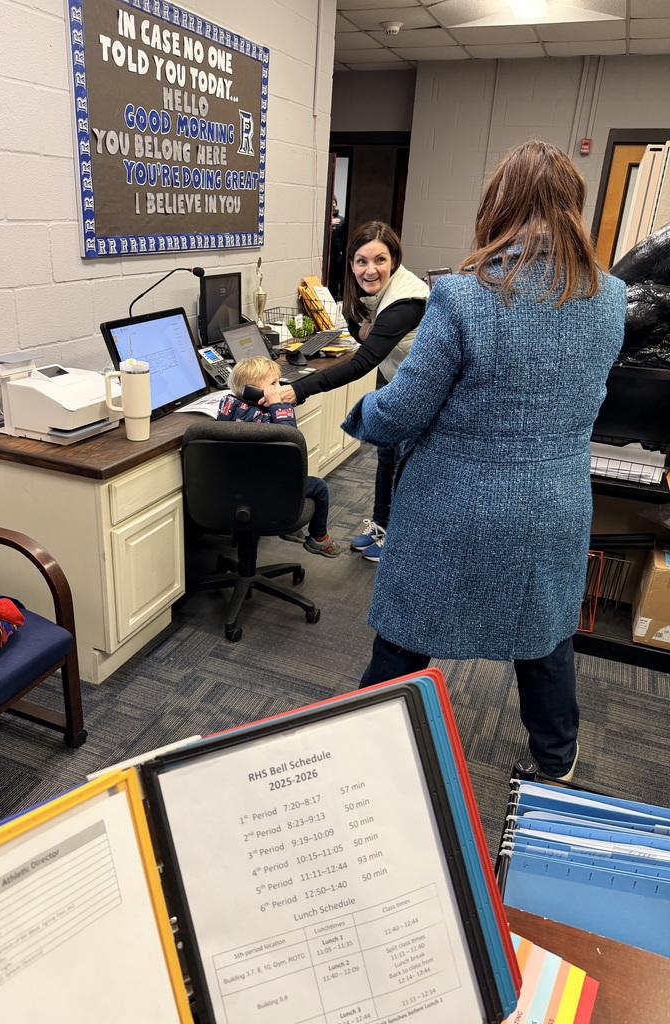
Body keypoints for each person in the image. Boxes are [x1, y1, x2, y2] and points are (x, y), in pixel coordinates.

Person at [342, 140, 627, 783]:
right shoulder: (611, 298)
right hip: (556, 503)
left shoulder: (464, 296)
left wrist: (360, 418)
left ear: (497, 205)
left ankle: (355, 747)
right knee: (545, 638)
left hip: (456, 507)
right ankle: (555, 760)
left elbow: (404, 410)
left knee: (408, 634)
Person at [275, 221, 430, 562]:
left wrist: (297, 390)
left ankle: (396, 540)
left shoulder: (405, 300)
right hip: (401, 383)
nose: (370, 269)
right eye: (361, 261)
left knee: (405, 464)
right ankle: (380, 525)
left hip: (424, 392)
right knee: (386, 455)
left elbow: (363, 363)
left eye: (379, 260)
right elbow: (374, 338)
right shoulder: (386, 294)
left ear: (394, 259)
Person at [217, 356, 341, 557]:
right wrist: (278, 405)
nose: (280, 387)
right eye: (274, 384)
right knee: (319, 488)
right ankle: (319, 538)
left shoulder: (228, 404)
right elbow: (290, 436)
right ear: (254, 390)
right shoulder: (267, 419)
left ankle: (292, 530)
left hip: (232, 487)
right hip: (269, 489)